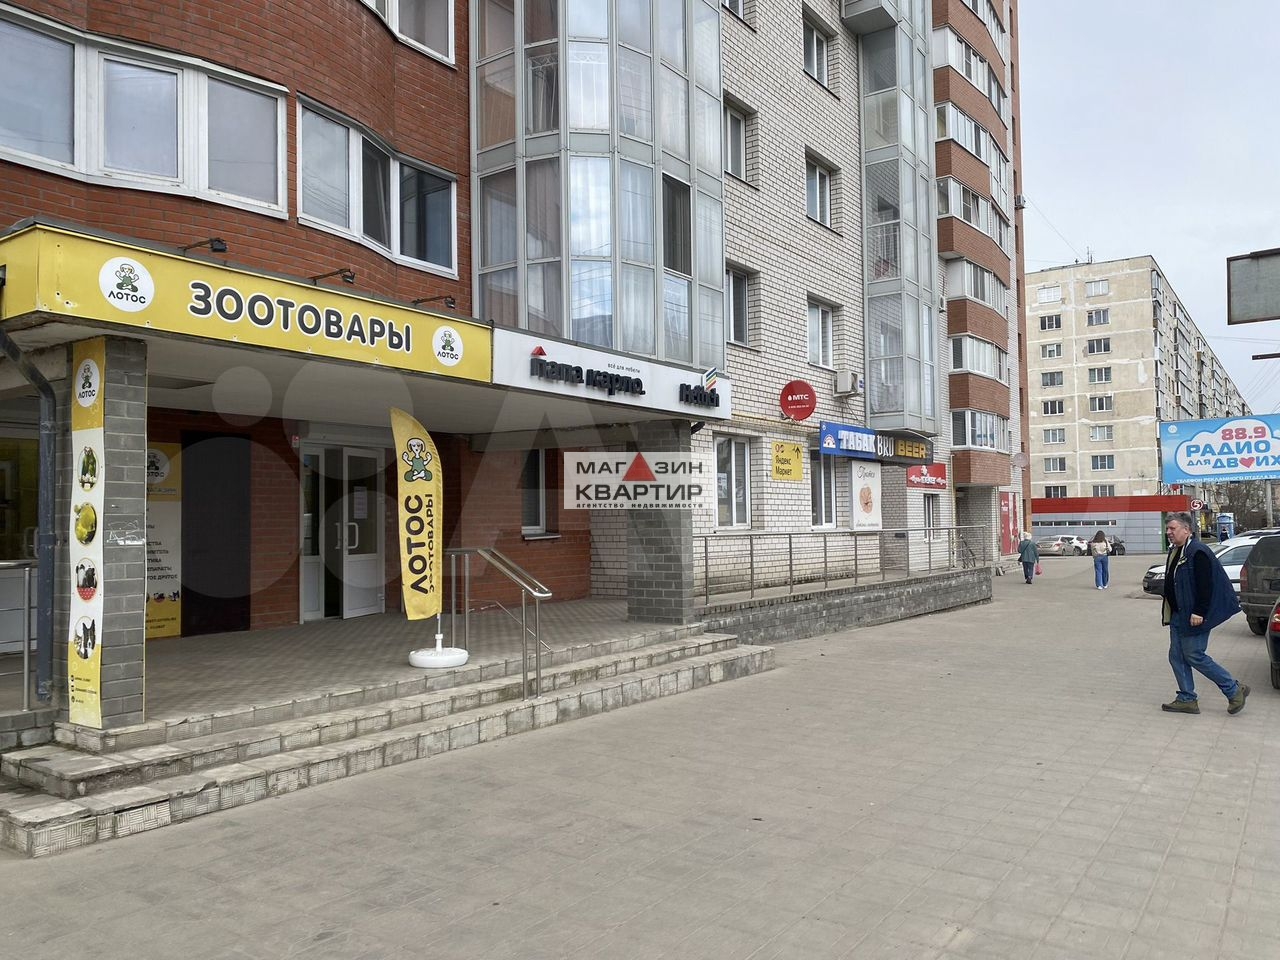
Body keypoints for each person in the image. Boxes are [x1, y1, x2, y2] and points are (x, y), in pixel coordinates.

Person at [1160, 512, 1249, 715]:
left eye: (1172, 528)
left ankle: (1234, 689)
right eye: (1168, 529)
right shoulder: (1177, 550)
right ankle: (1187, 699)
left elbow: (1206, 585)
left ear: (1186, 529)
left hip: (1193, 615)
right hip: (1178, 614)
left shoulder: (1197, 551)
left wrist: (1199, 611)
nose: (1168, 532)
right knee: (1176, 656)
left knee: (1194, 655)